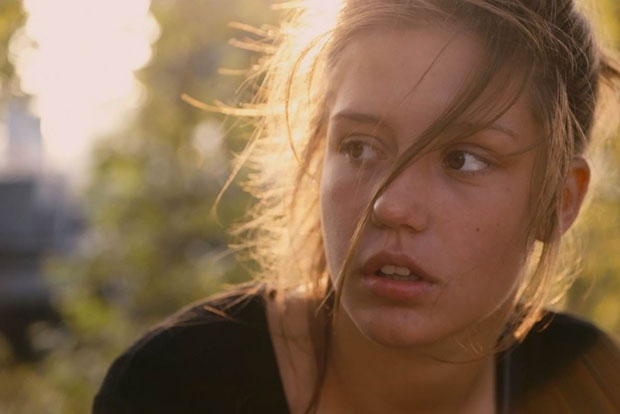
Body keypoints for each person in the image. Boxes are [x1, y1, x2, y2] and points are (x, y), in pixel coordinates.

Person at [93, 0, 620, 413]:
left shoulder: (590, 385)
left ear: (559, 201)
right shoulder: (175, 388)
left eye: (462, 160)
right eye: (360, 148)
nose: (391, 205)